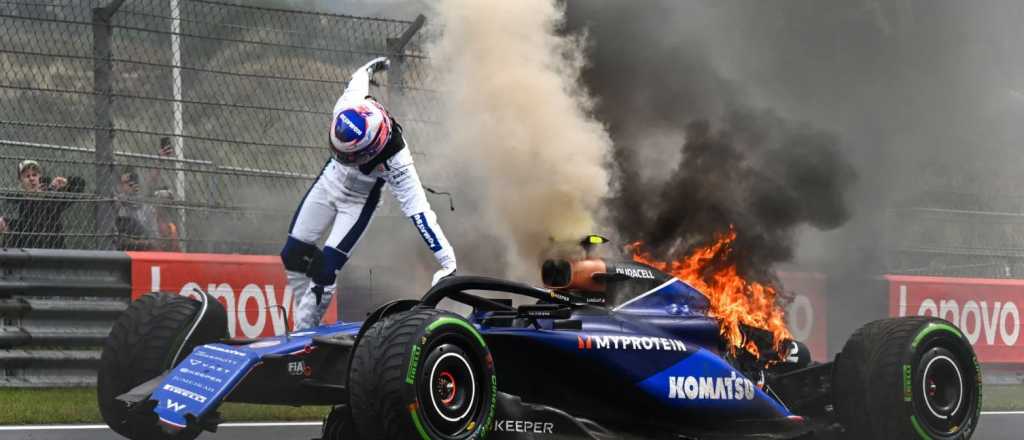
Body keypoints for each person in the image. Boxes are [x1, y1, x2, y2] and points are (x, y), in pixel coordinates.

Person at [281, 57, 457, 330]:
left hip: (358, 203)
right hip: (328, 182)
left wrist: (448, 261)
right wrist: (374, 66)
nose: (342, 157)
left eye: (349, 155)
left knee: (326, 271)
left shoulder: (398, 160)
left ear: (373, 149)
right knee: (291, 254)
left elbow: (420, 212)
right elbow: (360, 75)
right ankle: (303, 326)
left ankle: (302, 332)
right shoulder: (349, 103)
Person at [0, 159, 85, 249]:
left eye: (34, 175)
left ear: (39, 177)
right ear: (20, 180)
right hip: (27, 250)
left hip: (54, 249)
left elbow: (80, 183)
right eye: (27, 176)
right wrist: (5, 223)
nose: (32, 179)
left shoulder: (51, 197)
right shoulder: (16, 201)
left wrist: (66, 182)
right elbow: (17, 224)